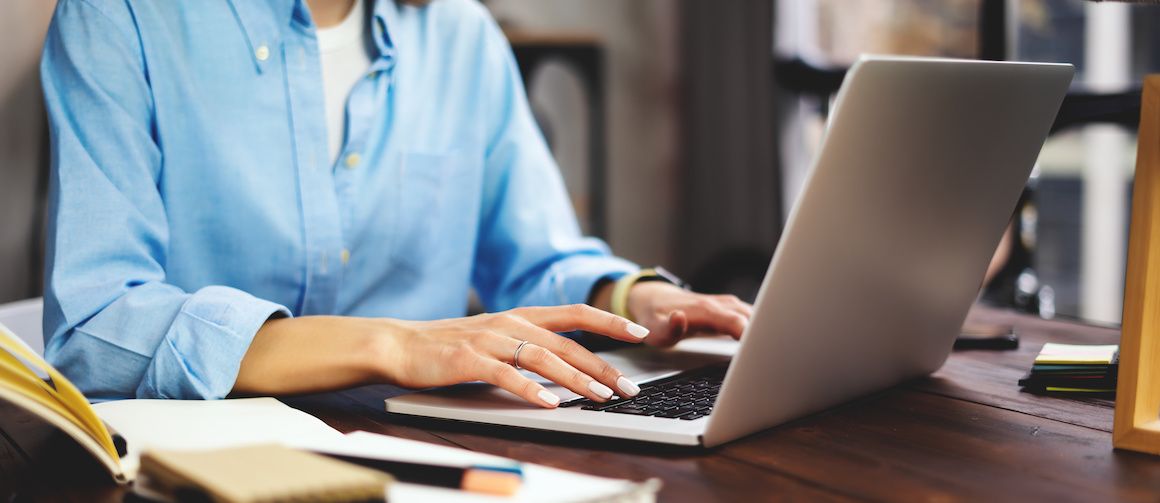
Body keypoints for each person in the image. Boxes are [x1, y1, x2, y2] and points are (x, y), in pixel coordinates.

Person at [40, 0, 751, 407]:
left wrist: (635, 299)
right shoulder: (120, 15)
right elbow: (96, 327)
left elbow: (534, 259)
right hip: (202, 460)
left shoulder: (461, 34)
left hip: (432, 450)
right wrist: (395, 343)